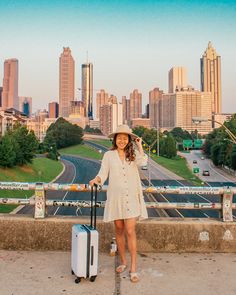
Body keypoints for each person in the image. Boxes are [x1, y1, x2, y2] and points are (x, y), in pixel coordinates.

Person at [89, 124, 148, 283]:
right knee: (119, 230)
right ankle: (123, 261)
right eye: (119, 137)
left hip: (131, 199)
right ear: (115, 139)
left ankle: (133, 267)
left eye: (125, 137)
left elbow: (143, 162)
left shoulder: (133, 154)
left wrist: (139, 145)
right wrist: (97, 180)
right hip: (116, 199)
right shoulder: (109, 155)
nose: (122, 140)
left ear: (129, 139)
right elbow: (103, 173)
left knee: (130, 230)